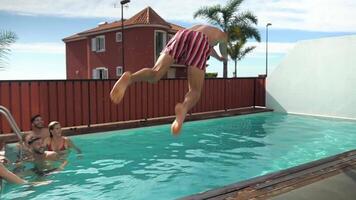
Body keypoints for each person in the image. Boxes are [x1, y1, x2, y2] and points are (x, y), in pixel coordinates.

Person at [110, 24, 228, 135]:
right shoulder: (222, 35)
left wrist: (217, 58)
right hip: (200, 41)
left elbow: (207, 47)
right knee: (195, 91)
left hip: (182, 34)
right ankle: (184, 108)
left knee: (155, 73)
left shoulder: (202, 29)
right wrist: (224, 57)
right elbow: (220, 48)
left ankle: (130, 78)